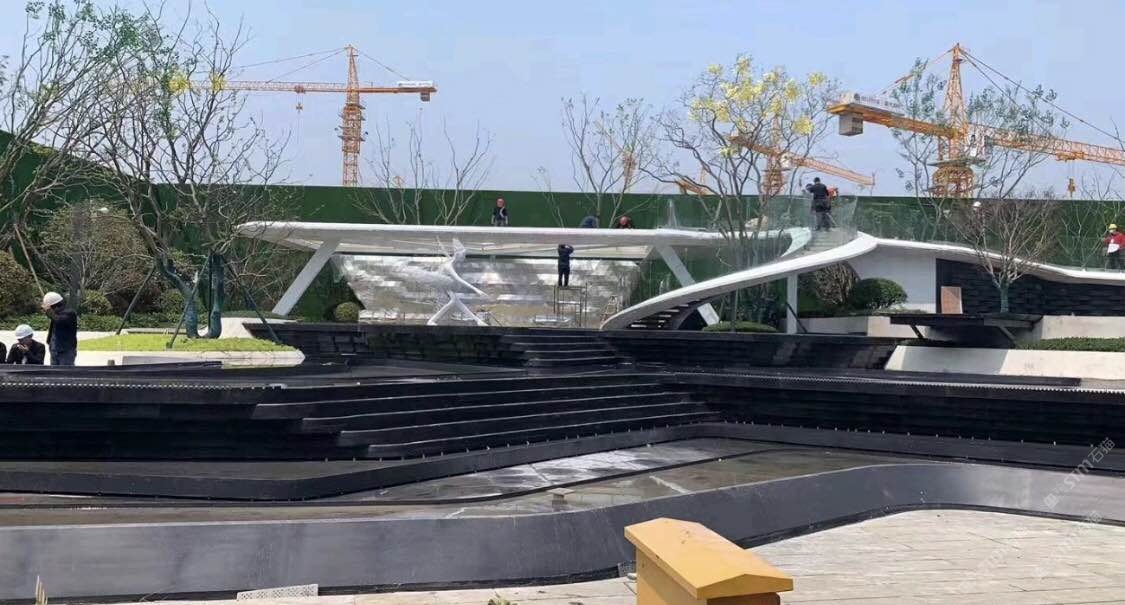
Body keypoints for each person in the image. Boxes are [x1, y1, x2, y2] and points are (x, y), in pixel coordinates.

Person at [41, 291, 78, 366]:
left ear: (56, 306)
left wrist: (49, 311)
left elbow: (59, 321)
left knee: (65, 371)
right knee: (54, 371)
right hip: (54, 349)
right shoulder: (56, 314)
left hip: (66, 350)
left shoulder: (70, 313)